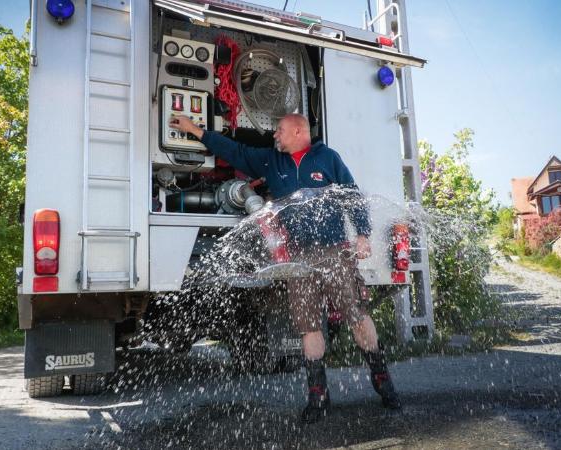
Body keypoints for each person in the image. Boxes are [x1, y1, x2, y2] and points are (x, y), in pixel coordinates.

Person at [170, 114, 401, 423]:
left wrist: (361, 234)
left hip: (334, 252)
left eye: (279, 130)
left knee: (357, 316)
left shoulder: (327, 158)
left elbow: (352, 196)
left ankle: (381, 378)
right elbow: (235, 152)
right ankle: (317, 395)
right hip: (297, 258)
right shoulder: (270, 161)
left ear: (297, 131)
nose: (274, 135)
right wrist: (196, 131)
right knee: (308, 326)